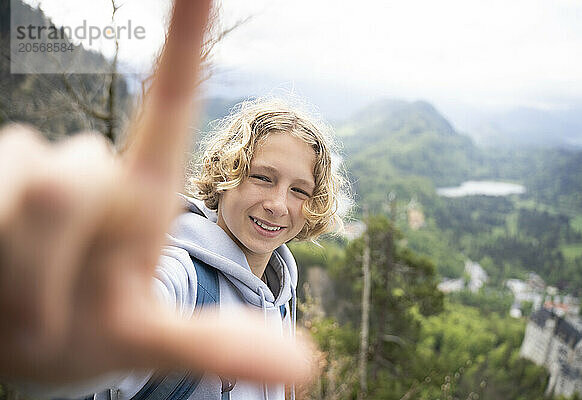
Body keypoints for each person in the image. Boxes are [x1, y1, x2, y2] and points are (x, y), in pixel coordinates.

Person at [0, 0, 348, 398]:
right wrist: (65, 347)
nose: (278, 204)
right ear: (226, 176)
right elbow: (133, 316)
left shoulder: (280, 288)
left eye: (299, 190)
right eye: (261, 178)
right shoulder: (182, 276)